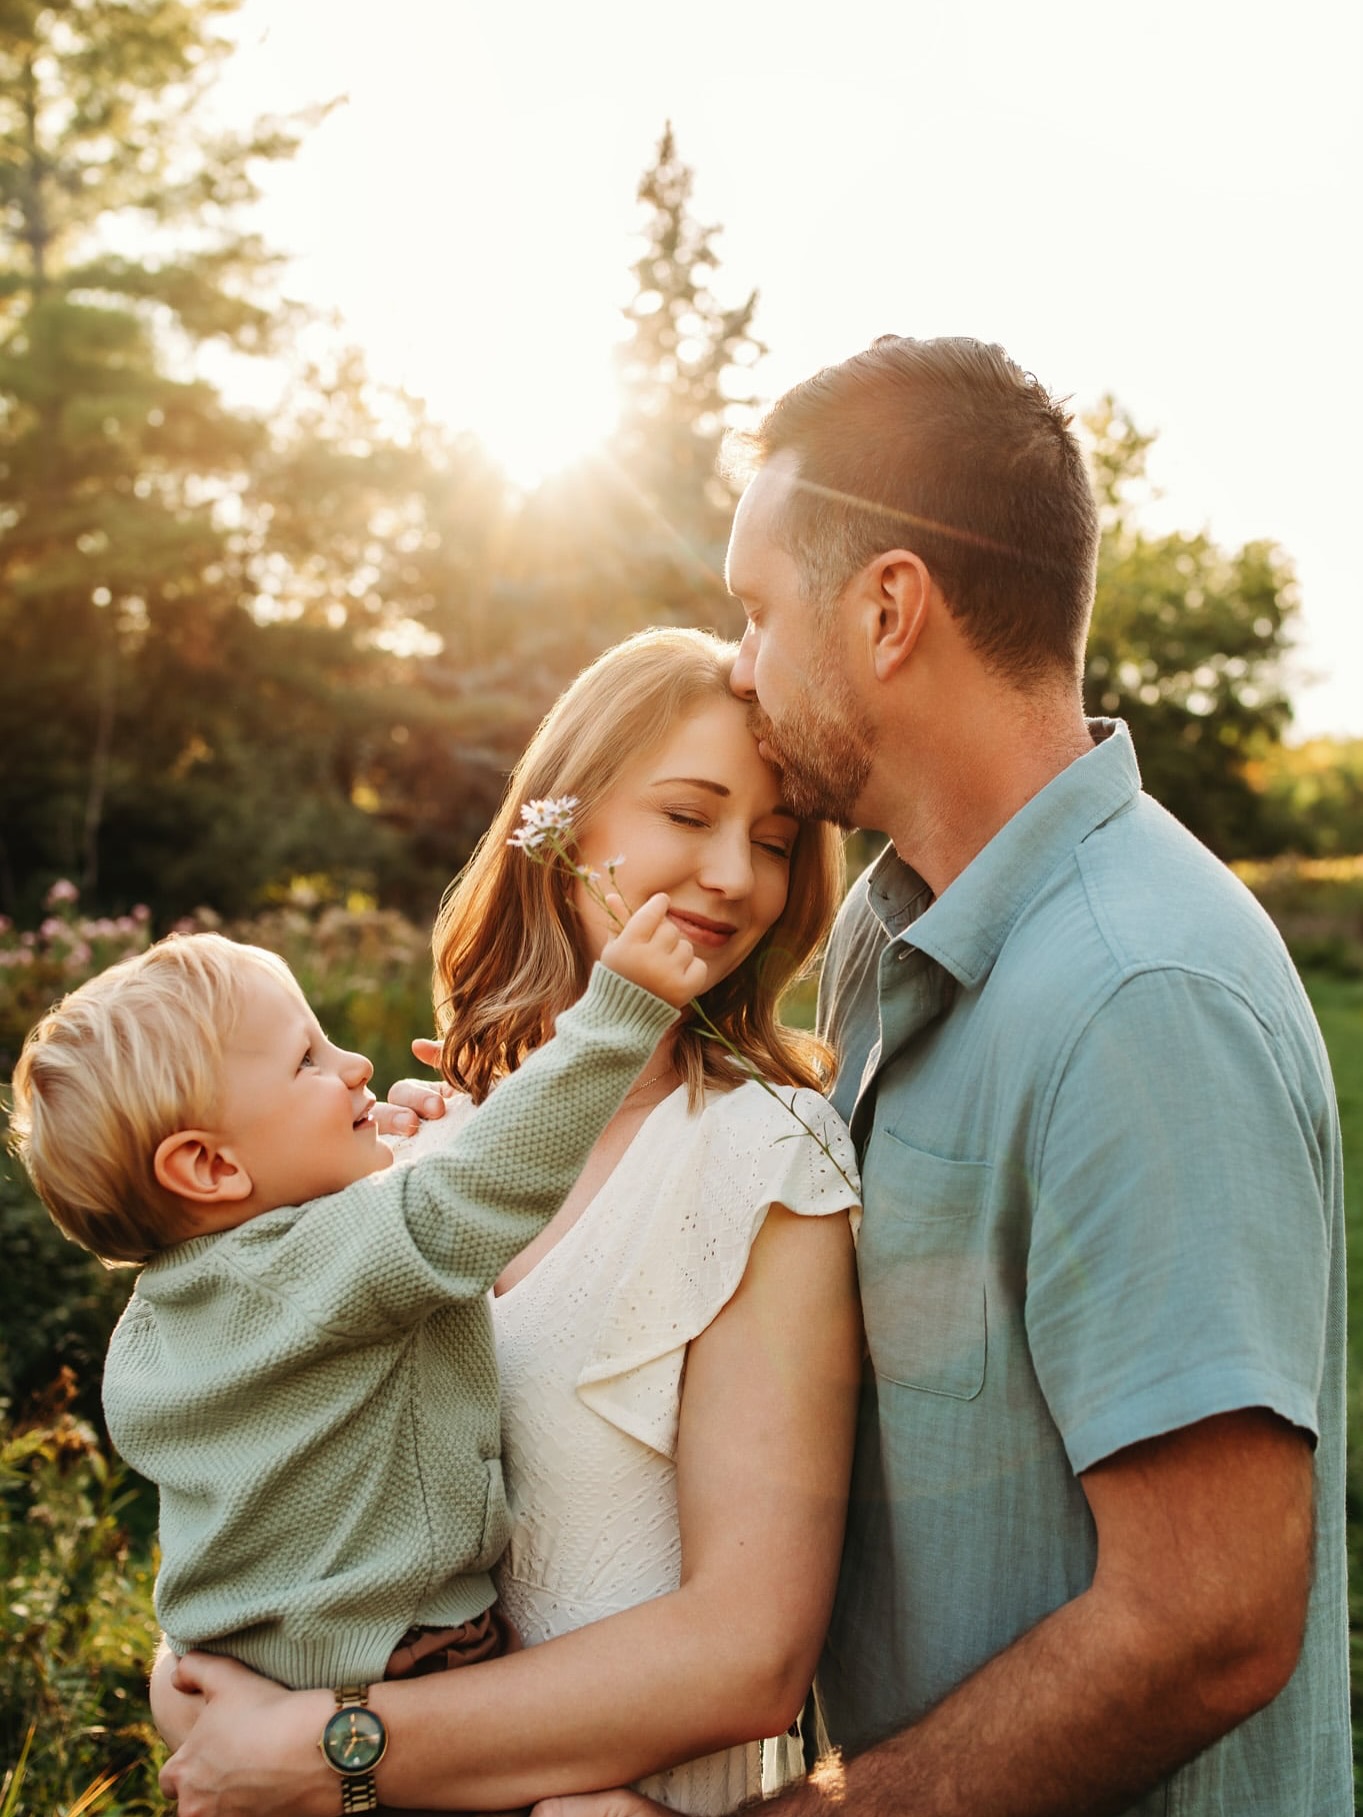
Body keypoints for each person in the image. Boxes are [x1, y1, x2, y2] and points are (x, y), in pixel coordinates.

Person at [703, 335, 1343, 1815]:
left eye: (752, 611)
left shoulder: (1139, 997)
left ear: (884, 608)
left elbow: (1205, 1622)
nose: (737, 669)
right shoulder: (886, 926)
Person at [151, 626, 864, 1815]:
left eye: (776, 842)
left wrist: (331, 1750)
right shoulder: (410, 1151)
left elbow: (749, 1656)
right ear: (561, 826)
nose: (736, 875)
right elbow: (241, 1485)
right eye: (689, 817)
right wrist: (201, 1693)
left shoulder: (762, 1154)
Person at [9, 908, 700, 1749]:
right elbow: (478, 1193)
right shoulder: (314, 1266)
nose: (355, 1063)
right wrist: (614, 1017)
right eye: (307, 1059)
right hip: (401, 1668)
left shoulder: (154, 1327)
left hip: (239, 1679)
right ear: (213, 1165)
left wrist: (441, 1127)